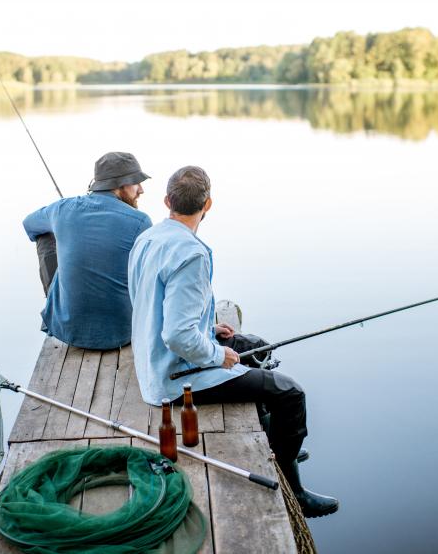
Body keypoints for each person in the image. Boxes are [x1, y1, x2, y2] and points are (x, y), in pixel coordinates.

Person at [128, 165, 338, 518]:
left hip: (154, 359)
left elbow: (159, 306)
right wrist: (216, 354)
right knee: (290, 393)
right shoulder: (191, 254)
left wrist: (209, 327)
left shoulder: (149, 238)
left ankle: (279, 444)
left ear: (167, 201)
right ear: (208, 204)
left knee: (257, 345)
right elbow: (177, 335)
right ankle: (294, 489)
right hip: (177, 378)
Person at [23, 151, 152, 350]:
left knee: (45, 234)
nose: (141, 189)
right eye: (136, 182)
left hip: (68, 331)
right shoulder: (141, 221)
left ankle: (57, 303)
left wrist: (65, 229)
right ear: (120, 185)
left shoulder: (62, 209)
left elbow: (30, 224)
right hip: (123, 333)